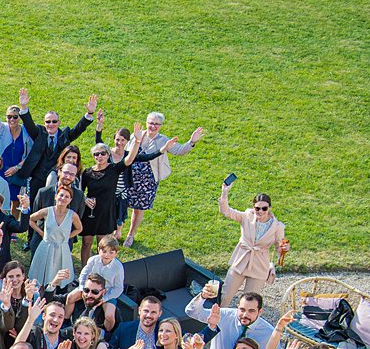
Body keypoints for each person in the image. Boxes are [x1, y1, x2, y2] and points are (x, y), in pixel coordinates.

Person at [121, 112, 204, 247]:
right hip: (128, 176)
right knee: (121, 203)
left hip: (148, 180)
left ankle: (130, 235)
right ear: (146, 122)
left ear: (160, 126)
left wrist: (192, 141)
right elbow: (124, 151)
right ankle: (117, 232)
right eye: (151, 123)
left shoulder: (163, 140)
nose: (153, 126)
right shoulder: (136, 136)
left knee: (139, 208)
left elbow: (180, 150)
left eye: (156, 124)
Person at [216, 183, 289, 305]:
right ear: (253, 207)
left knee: (249, 302)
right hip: (241, 260)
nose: (260, 211)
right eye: (257, 208)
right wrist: (225, 192)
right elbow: (226, 212)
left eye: (264, 208)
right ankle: (217, 321)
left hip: (259, 265)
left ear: (269, 208)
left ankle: (243, 324)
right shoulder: (246, 217)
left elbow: (279, 246)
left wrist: (284, 249)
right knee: (225, 296)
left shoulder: (277, 227)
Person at [18, 91, 98, 195]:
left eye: (54, 121)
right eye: (48, 121)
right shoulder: (39, 133)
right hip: (37, 177)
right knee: (34, 206)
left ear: (59, 123)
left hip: (57, 178)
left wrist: (89, 113)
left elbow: (79, 128)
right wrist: (23, 107)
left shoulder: (65, 135)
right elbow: (29, 124)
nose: (51, 124)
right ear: (44, 123)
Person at [184, 288, 278, 349]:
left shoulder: (269, 333)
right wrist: (202, 296)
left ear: (260, 311)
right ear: (237, 307)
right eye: (242, 310)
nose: (245, 315)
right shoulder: (223, 315)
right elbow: (191, 311)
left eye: (251, 311)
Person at [78, 137, 143, 264]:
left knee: (102, 245)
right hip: (90, 212)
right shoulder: (87, 172)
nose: (100, 156)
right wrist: (85, 199)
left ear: (108, 154)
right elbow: (80, 192)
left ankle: (100, 271)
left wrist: (137, 142)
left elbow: (129, 160)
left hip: (106, 212)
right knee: (86, 243)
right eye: (96, 154)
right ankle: (84, 271)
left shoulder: (114, 169)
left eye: (103, 153)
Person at [28, 186, 82, 287]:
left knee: (60, 278)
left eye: (67, 196)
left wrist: (67, 237)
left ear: (70, 200)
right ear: (56, 196)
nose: (63, 198)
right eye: (61, 195)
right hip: (46, 247)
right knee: (40, 277)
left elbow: (79, 228)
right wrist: (41, 233)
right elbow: (31, 219)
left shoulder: (72, 215)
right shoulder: (47, 211)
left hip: (62, 248)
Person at [0, 89, 33, 197]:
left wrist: (17, 167)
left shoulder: (26, 132)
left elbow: (30, 155)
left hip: (17, 172)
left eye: (15, 117)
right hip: (0, 170)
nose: (12, 119)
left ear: (19, 117)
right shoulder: (3, 129)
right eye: (9, 116)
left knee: (15, 200)